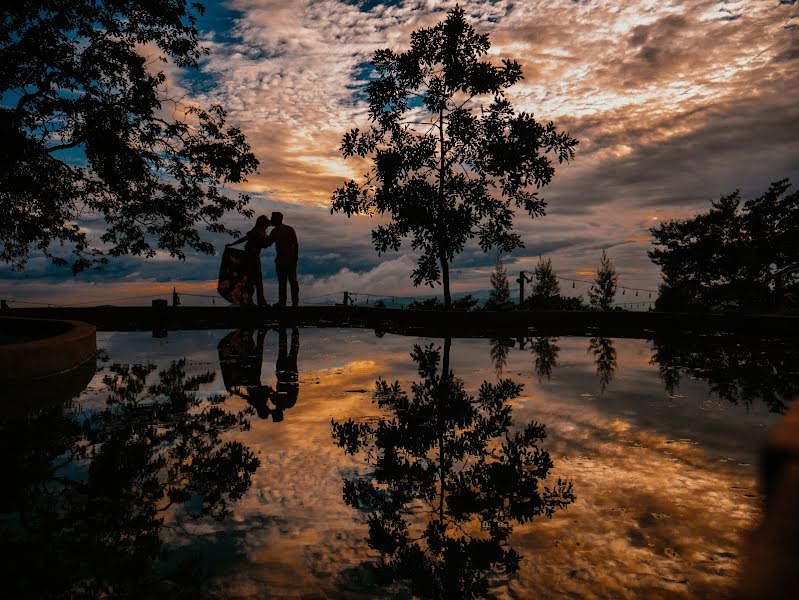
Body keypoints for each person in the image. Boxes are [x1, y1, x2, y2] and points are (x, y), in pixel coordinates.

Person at [226, 215, 270, 307]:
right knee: (252, 281)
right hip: (251, 259)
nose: (267, 224)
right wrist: (232, 244)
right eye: (266, 222)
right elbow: (244, 239)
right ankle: (251, 301)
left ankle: (257, 301)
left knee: (255, 281)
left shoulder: (261, 232)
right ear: (262, 223)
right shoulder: (256, 231)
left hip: (255, 258)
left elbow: (266, 243)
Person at [264, 211, 299, 308]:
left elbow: (295, 244)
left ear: (278, 219)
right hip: (281, 260)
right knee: (283, 282)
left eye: (273, 218)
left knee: (292, 281)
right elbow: (267, 243)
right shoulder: (275, 231)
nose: (271, 220)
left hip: (289, 259)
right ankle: (283, 302)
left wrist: (295, 257)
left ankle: (294, 302)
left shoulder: (288, 229)